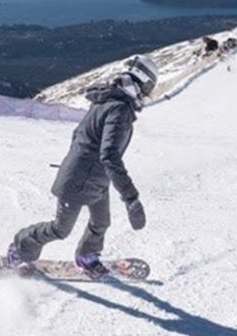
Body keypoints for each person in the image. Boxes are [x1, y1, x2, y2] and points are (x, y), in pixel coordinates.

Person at [8, 54, 159, 279]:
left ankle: (87, 256)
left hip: (94, 177)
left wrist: (83, 162)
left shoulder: (109, 100)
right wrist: (131, 199)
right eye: (149, 88)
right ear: (142, 83)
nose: (148, 95)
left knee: (101, 221)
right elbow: (109, 155)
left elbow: (79, 134)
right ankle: (19, 247)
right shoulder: (118, 109)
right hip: (79, 180)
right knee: (60, 229)